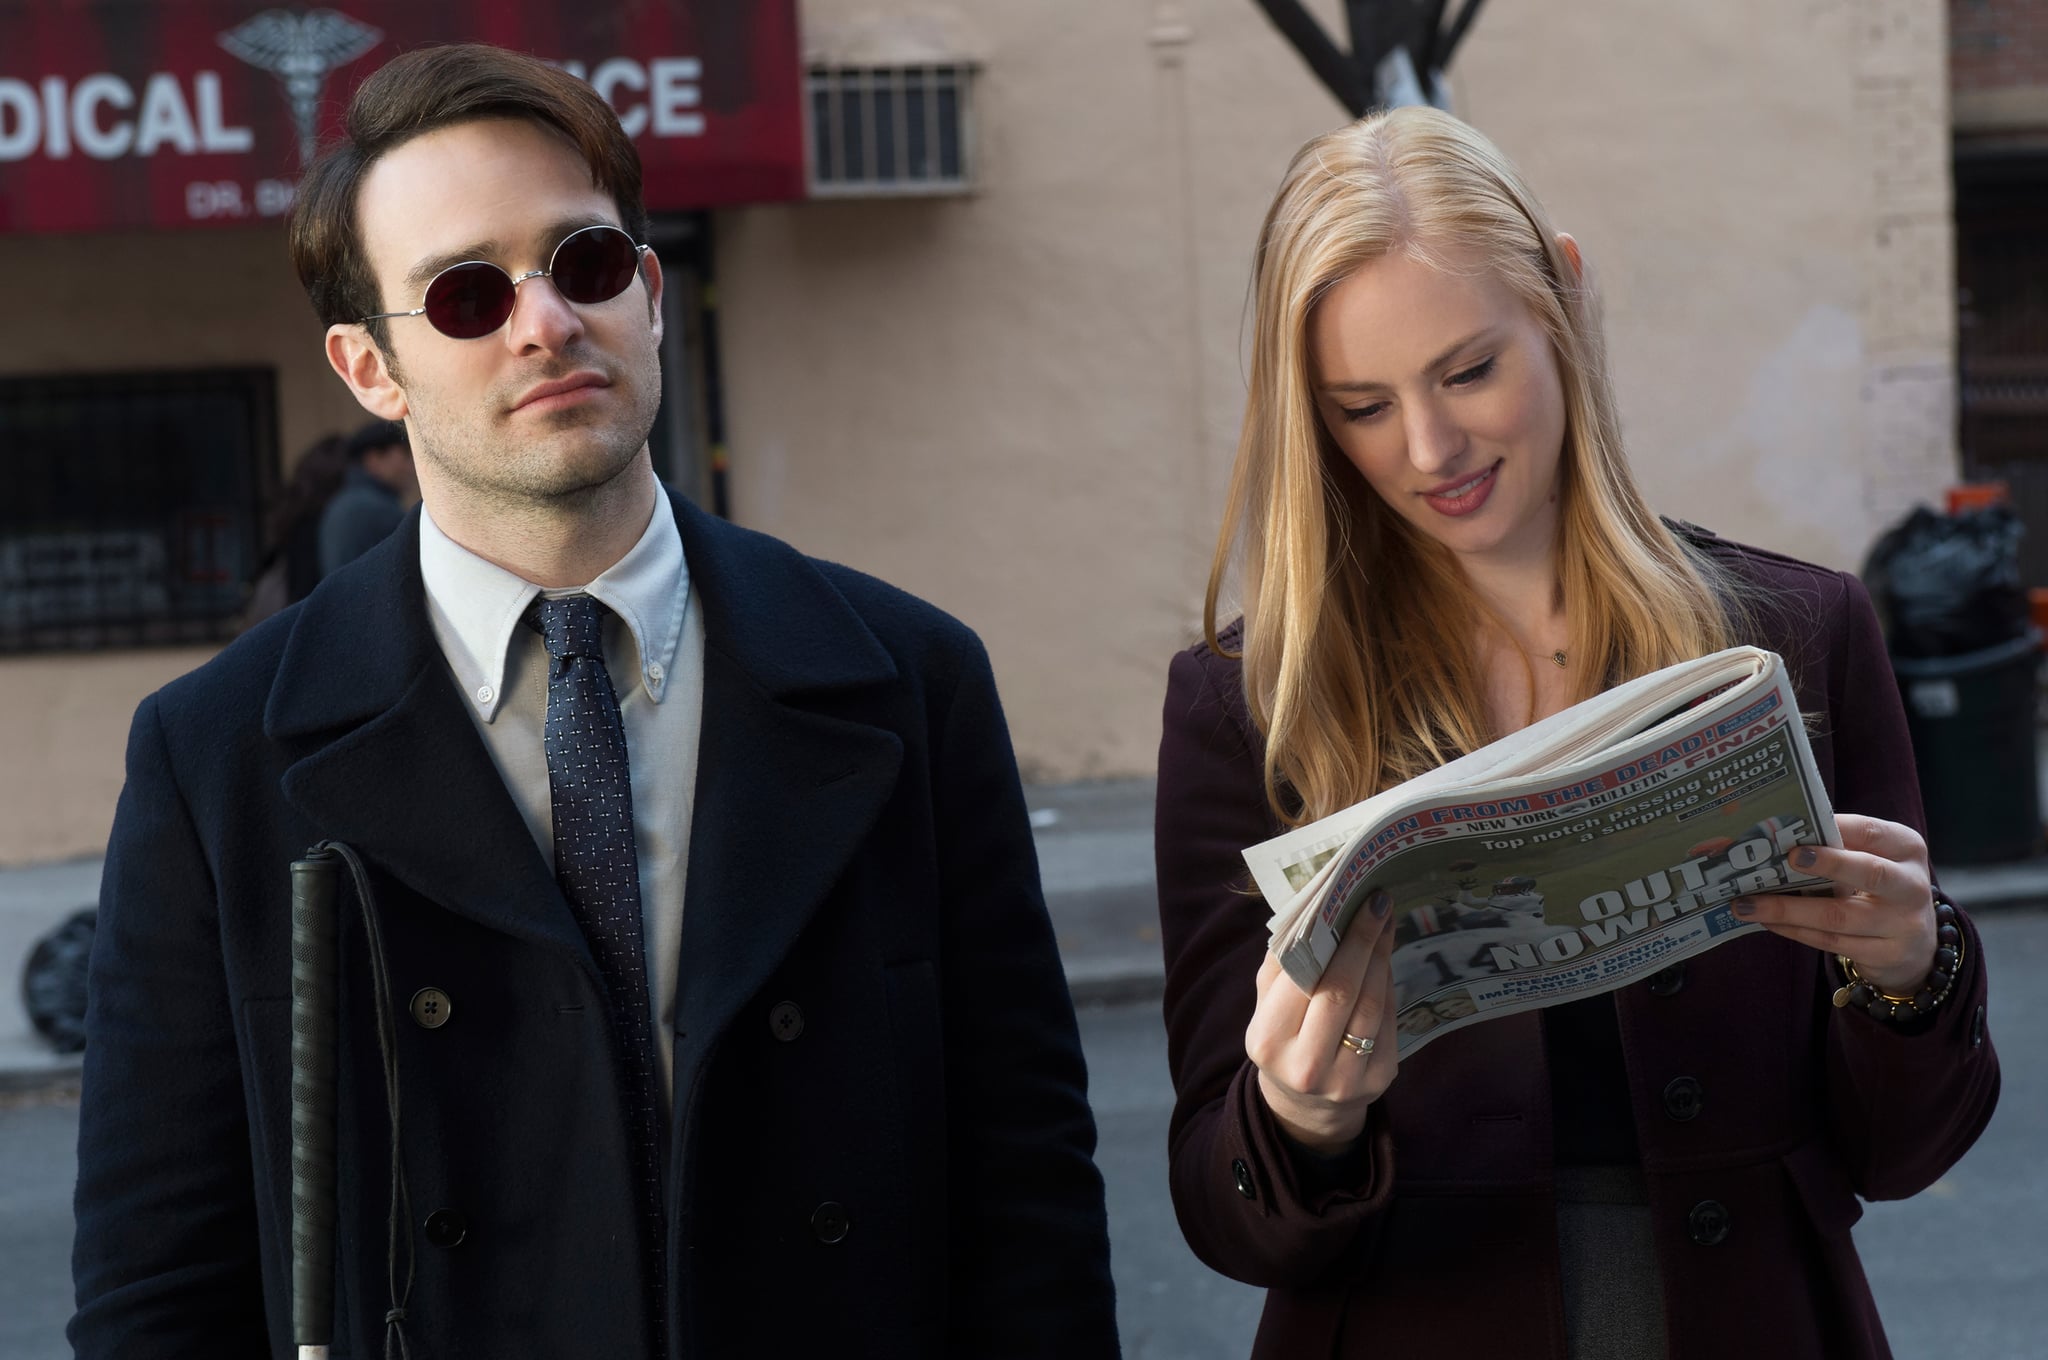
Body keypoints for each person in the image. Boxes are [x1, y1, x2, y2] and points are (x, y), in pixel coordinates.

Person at [72, 44, 1118, 1360]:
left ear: (651, 293)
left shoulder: (910, 679)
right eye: (464, 295)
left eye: (585, 263)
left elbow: (1031, 1200)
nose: (546, 321)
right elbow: (155, 1285)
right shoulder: (216, 753)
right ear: (368, 370)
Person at [1154, 106, 1998, 1360]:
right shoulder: (1250, 704)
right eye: (1360, 407)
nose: (1429, 449)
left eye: (1465, 370)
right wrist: (1295, 1115)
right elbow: (1228, 1214)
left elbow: (1899, 1151)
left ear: (1562, 300)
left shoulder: (1797, 638)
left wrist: (1907, 973)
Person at [318, 417, 418, 574]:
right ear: (374, 459)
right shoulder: (375, 509)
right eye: (405, 455)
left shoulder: (343, 501)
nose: (411, 467)